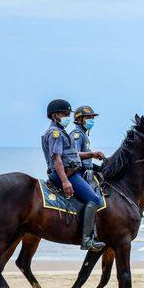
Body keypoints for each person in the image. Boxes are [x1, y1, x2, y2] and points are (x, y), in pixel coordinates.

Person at [40, 99, 106, 251]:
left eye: (67, 114)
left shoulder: (62, 132)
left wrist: (91, 154)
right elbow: (56, 158)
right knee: (95, 199)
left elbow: (71, 154)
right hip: (67, 174)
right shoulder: (55, 133)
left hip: (70, 172)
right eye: (64, 114)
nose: (67, 117)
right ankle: (87, 240)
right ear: (55, 115)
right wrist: (65, 181)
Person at [70, 105, 105, 177]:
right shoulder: (77, 134)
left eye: (92, 118)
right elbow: (75, 155)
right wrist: (92, 154)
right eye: (88, 118)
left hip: (87, 169)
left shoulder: (83, 134)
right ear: (79, 119)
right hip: (80, 172)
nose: (91, 120)